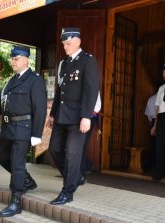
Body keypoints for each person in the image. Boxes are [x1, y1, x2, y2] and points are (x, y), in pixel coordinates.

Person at [47, 27, 99, 205]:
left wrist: (86, 116)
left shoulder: (88, 61)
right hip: (62, 115)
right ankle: (76, 176)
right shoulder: (64, 63)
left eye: (68, 43)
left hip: (78, 117)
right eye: (63, 44)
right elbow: (60, 91)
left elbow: (91, 91)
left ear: (78, 41)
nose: (65, 47)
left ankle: (67, 191)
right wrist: (53, 114)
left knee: (72, 154)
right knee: (54, 149)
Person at [0, 45, 46, 217]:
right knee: (3, 158)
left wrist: (36, 133)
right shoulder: (12, 80)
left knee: (17, 164)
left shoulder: (35, 80)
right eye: (12, 59)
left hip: (23, 128)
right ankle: (27, 180)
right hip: (8, 127)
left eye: (16, 59)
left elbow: (40, 108)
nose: (13, 61)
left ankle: (15, 200)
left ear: (26, 60)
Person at [79, 92, 101, 181]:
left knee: (82, 145)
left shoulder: (93, 86)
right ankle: (78, 171)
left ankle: (81, 171)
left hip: (88, 118)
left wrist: (88, 116)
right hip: (74, 117)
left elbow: (97, 106)